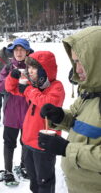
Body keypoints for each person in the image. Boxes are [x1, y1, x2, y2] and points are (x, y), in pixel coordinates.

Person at [39, 26, 101, 193]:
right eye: (75, 61)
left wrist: (67, 149)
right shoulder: (89, 91)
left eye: (82, 60)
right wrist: (59, 117)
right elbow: (77, 122)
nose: (77, 68)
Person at [6, 51, 65, 193]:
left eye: (34, 68)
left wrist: (28, 90)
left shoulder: (56, 86)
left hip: (45, 144)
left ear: (45, 70)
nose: (30, 71)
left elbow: (48, 103)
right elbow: (10, 88)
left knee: (44, 182)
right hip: (28, 142)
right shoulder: (33, 86)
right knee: (33, 181)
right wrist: (13, 77)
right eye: (29, 67)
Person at [0, 38, 33, 185]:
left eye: (21, 50)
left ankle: (24, 166)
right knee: (9, 142)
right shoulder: (8, 67)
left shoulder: (33, 67)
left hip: (28, 112)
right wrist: (12, 77)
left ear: (27, 52)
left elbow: (40, 85)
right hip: (11, 112)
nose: (18, 52)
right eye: (16, 50)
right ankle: (8, 170)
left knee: (26, 142)